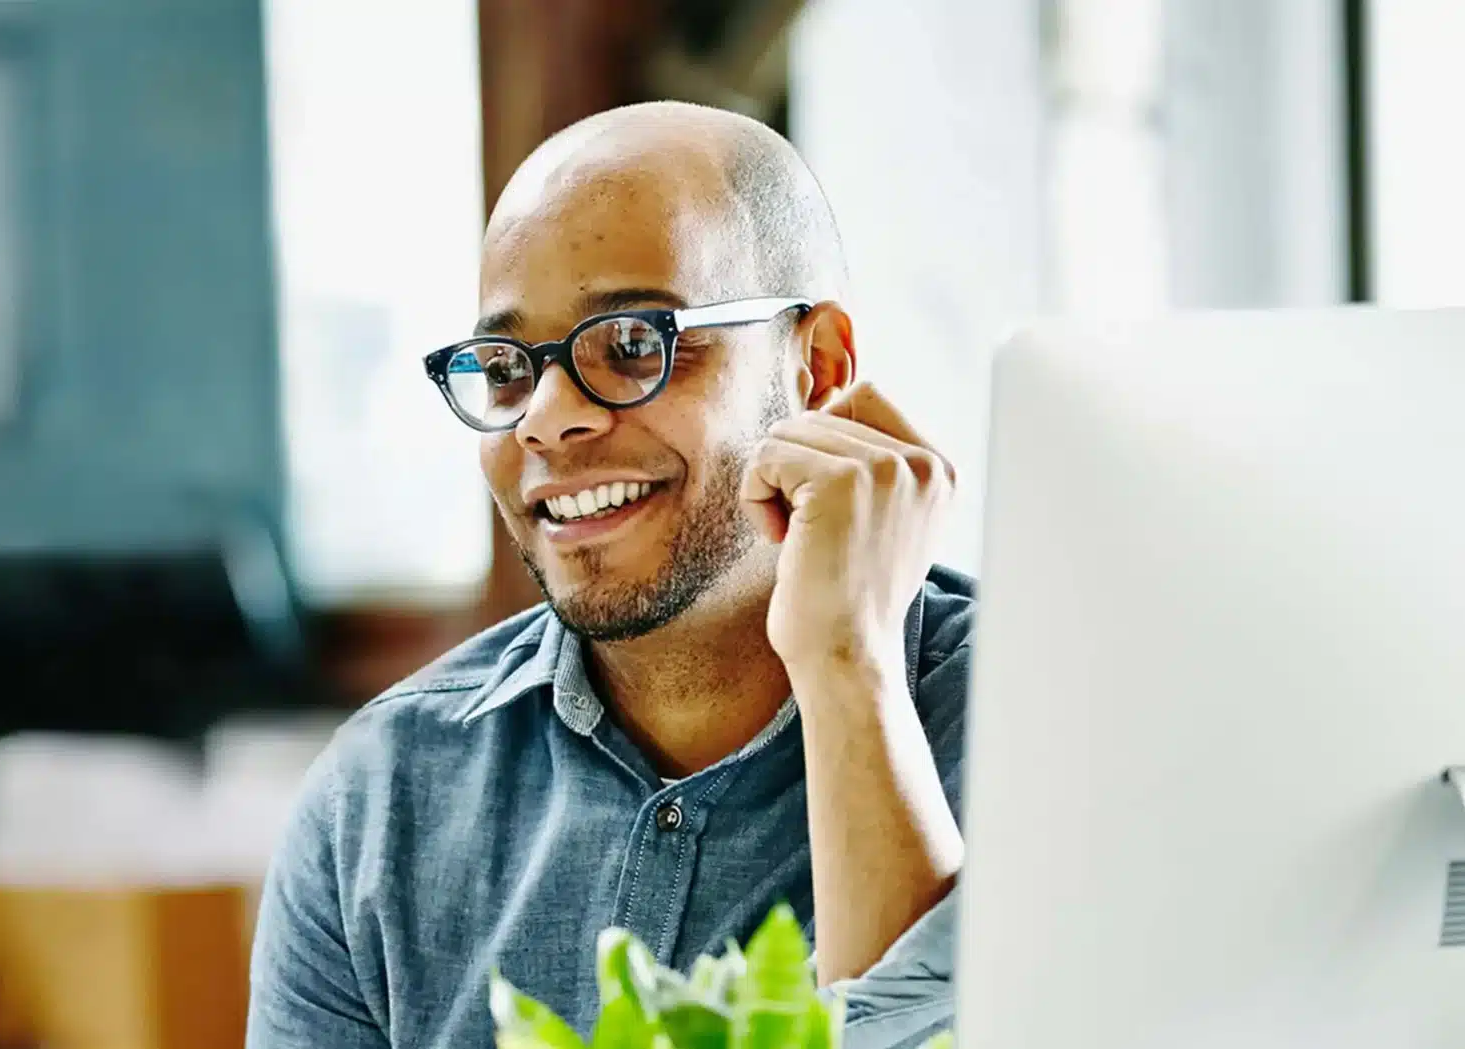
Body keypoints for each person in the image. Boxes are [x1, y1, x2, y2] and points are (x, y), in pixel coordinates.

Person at [247, 101, 969, 1049]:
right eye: (506, 367)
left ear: (818, 366)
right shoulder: (377, 806)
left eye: (631, 345)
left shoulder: (1044, 735)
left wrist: (848, 660)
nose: (546, 420)